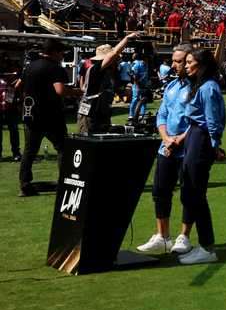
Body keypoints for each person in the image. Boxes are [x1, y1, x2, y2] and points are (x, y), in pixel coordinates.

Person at [136, 45, 194, 256]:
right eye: (174, 60)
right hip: (166, 147)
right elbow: (162, 116)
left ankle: (184, 236)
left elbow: (198, 120)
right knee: (160, 192)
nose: (174, 64)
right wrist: (166, 139)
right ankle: (162, 236)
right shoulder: (171, 87)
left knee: (188, 194)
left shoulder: (196, 87)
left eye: (179, 61)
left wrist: (178, 140)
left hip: (187, 148)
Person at [175, 48, 226, 265]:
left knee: (196, 193)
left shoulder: (208, 88)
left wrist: (214, 146)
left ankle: (207, 246)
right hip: (195, 136)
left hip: (201, 137)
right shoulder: (199, 85)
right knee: (189, 190)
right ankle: (203, 244)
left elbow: (213, 120)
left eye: (189, 62)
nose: (185, 66)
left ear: (201, 65)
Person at [17, 39, 70, 198]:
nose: (62, 56)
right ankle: (64, 182)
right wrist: (76, 92)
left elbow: (18, 85)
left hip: (31, 115)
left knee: (29, 151)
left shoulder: (30, 66)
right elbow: (60, 90)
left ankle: (25, 185)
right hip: (51, 115)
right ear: (54, 52)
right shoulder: (55, 68)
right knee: (62, 148)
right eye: (61, 53)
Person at [76, 32, 141, 136]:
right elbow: (113, 54)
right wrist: (127, 38)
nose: (117, 61)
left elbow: (122, 94)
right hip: (89, 113)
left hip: (103, 113)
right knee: (87, 142)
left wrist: (127, 89)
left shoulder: (113, 74)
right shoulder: (95, 70)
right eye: (114, 59)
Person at [0, 71, 20, 162]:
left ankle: (16, 153)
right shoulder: (11, 80)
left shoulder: (12, 80)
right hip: (3, 108)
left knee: (14, 131)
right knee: (13, 131)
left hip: (10, 109)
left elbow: (13, 95)